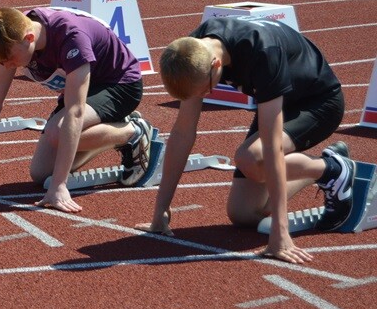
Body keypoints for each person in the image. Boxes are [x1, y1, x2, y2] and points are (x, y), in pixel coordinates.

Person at [142, 17, 357, 265]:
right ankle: (324, 170)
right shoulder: (193, 50)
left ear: (216, 64)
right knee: (244, 214)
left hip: (318, 104)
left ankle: (333, 169)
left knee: (251, 157)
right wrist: (160, 211)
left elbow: (272, 146)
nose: (204, 96)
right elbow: (183, 132)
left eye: (206, 90)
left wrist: (280, 231)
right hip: (279, 101)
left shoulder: (263, 53)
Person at [0, 7, 154, 212]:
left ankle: (132, 133)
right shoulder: (11, 38)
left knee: (57, 133)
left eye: (8, 59)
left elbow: (75, 111)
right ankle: (109, 132)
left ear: (29, 38)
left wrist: (60, 185)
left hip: (119, 85)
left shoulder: (72, 38)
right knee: (41, 174)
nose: (6, 66)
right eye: (1, 62)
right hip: (81, 86)